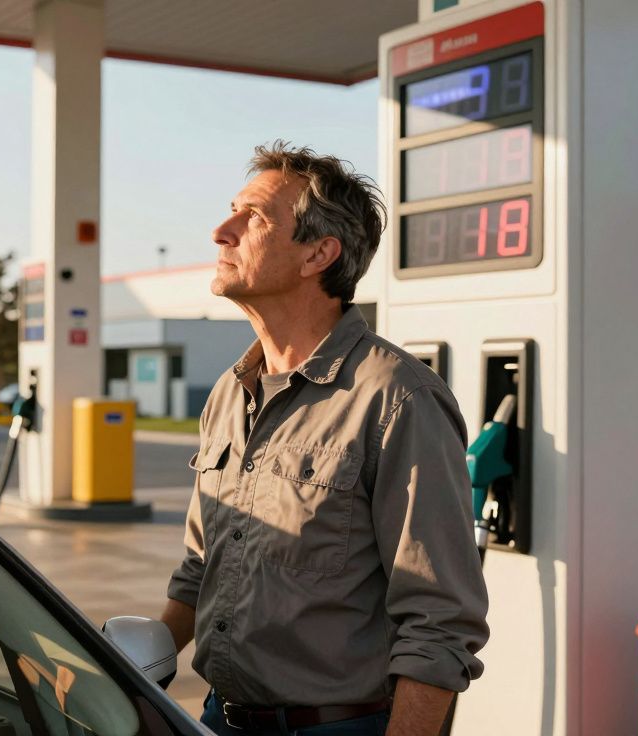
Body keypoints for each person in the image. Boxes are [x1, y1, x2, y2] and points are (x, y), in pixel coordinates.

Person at [161, 143, 488, 736]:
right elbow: (200, 566)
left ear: (319, 253)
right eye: (231, 211)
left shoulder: (398, 399)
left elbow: (438, 619)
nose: (220, 231)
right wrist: (132, 656)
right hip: (220, 718)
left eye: (253, 218)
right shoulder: (231, 393)